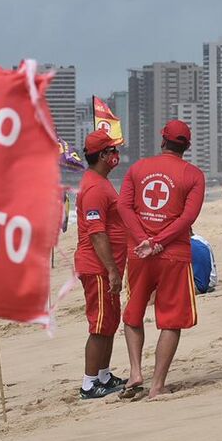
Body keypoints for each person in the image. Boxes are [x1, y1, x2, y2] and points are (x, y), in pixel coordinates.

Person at [117, 120, 205, 399]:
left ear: (162, 141)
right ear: (187, 147)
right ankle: (157, 385)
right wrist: (158, 242)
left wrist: (144, 239)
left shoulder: (138, 168)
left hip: (139, 253)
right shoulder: (193, 175)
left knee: (133, 311)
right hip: (173, 255)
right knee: (170, 320)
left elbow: (124, 207)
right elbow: (187, 218)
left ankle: (134, 371)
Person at [74, 128, 129, 399]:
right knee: (99, 325)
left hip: (107, 267)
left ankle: (104, 376)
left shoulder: (101, 181)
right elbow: (97, 233)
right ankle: (88, 383)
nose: (117, 155)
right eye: (112, 151)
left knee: (109, 322)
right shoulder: (95, 187)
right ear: (104, 155)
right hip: (97, 268)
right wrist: (111, 270)